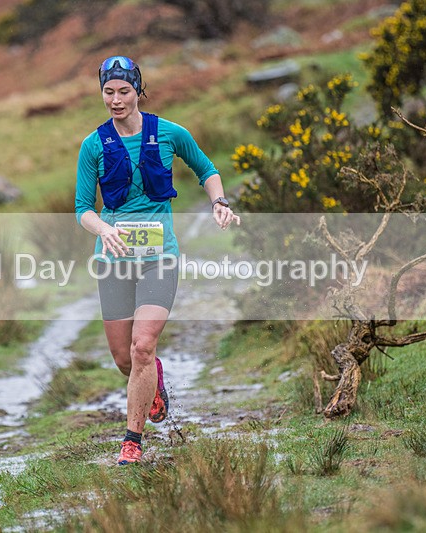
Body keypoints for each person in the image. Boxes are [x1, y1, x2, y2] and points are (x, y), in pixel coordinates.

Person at [75, 55, 239, 465]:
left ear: (138, 91)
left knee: (142, 346)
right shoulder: (93, 145)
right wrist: (103, 229)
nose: (115, 100)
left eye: (123, 91)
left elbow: (207, 169)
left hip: (158, 257)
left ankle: (132, 441)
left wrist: (219, 202)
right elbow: (82, 208)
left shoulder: (169, 133)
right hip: (114, 259)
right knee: (124, 358)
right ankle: (154, 380)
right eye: (108, 92)